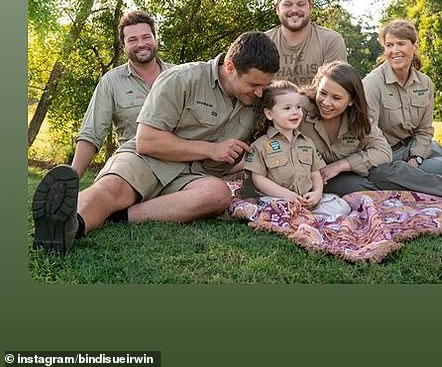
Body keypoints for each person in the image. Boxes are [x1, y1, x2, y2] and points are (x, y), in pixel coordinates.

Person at [31, 31, 280, 254]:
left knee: (217, 194)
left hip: (195, 177)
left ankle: (117, 215)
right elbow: (147, 141)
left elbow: (299, 107)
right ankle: (68, 226)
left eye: (265, 86)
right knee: (111, 189)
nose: (260, 93)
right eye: (254, 85)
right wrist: (211, 149)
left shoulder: (260, 100)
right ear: (230, 66)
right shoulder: (182, 79)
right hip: (148, 160)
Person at [302, 61, 442, 205]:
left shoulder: (359, 117)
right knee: (359, 187)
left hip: (352, 171)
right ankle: (429, 191)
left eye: (336, 98)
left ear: (351, 100)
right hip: (322, 179)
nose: (326, 103)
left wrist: (342, 165)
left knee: (387, 171)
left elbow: (383, 152)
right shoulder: (301, 108)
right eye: (323, 93)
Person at [71, 9, 170, 178]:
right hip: (133, 164)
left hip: (178, 166)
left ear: (155, 39)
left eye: (146, 37)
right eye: (132, 39)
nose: (141, 44)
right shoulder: (111, 81)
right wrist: (70, 181)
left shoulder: (180, 76)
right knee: (104, 194)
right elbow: (91, 134)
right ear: (123, 46)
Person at [363, 19, 442, 181]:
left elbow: (424, 130)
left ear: (414, 47)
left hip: (419, 147)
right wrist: (408, 162)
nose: (395, 50)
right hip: (389, 156)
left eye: (401, 44)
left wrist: (417, 157)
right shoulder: (371, 83)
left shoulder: (425, 83)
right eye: (389, 45)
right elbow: (368, 132)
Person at [243, 79, 351, 220]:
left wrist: (317, 193)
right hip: (278, 199)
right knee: (271, 209)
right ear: (269, 114)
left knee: (343, 206)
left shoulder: (307, 143)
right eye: (287, 108)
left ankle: (304, 215)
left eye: (298, 107)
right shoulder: (261, 145)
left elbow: (315, 172)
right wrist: (287, 195)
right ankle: (298, 217)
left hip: (305, 200)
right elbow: (258, 179)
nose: (295, 112)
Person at [265, 0, 347, 88]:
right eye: (287, 4)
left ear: (310, 8)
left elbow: (334, 89)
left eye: (301, 4)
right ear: (277, 9)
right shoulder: (264, 42)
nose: (294, 10)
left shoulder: (331, 41)